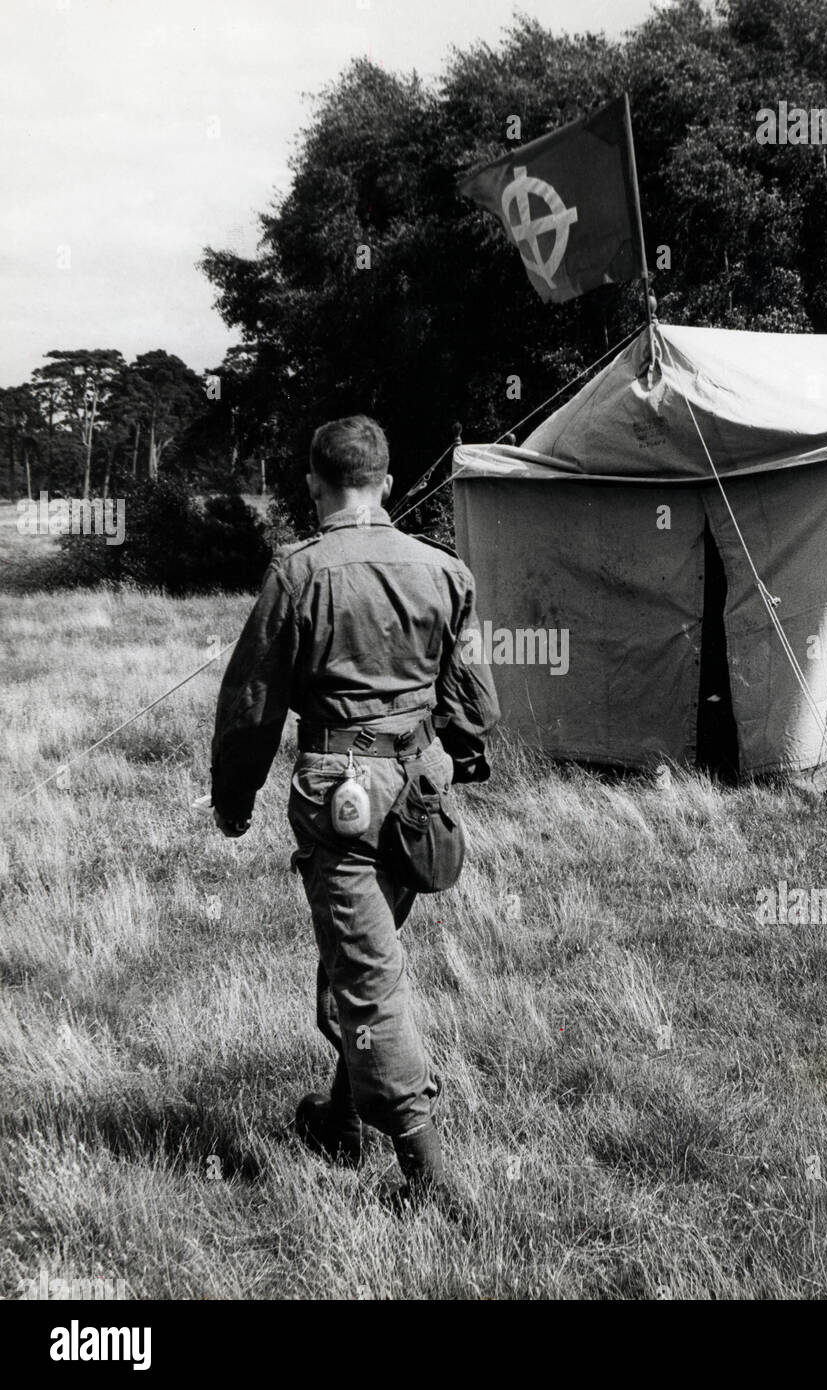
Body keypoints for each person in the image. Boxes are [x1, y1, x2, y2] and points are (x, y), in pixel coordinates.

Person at [209, 415, 499, 1214]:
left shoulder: (298, 573)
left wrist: (234, 797)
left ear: (312, 482)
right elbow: (472, 698)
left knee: (365, 980)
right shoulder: (444, 570)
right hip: (420, 789)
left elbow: (253, 703)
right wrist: (457, 760)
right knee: (363, 958)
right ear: (390, 482)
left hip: (342, 793)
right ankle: (338, 1126)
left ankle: (430, 1179)